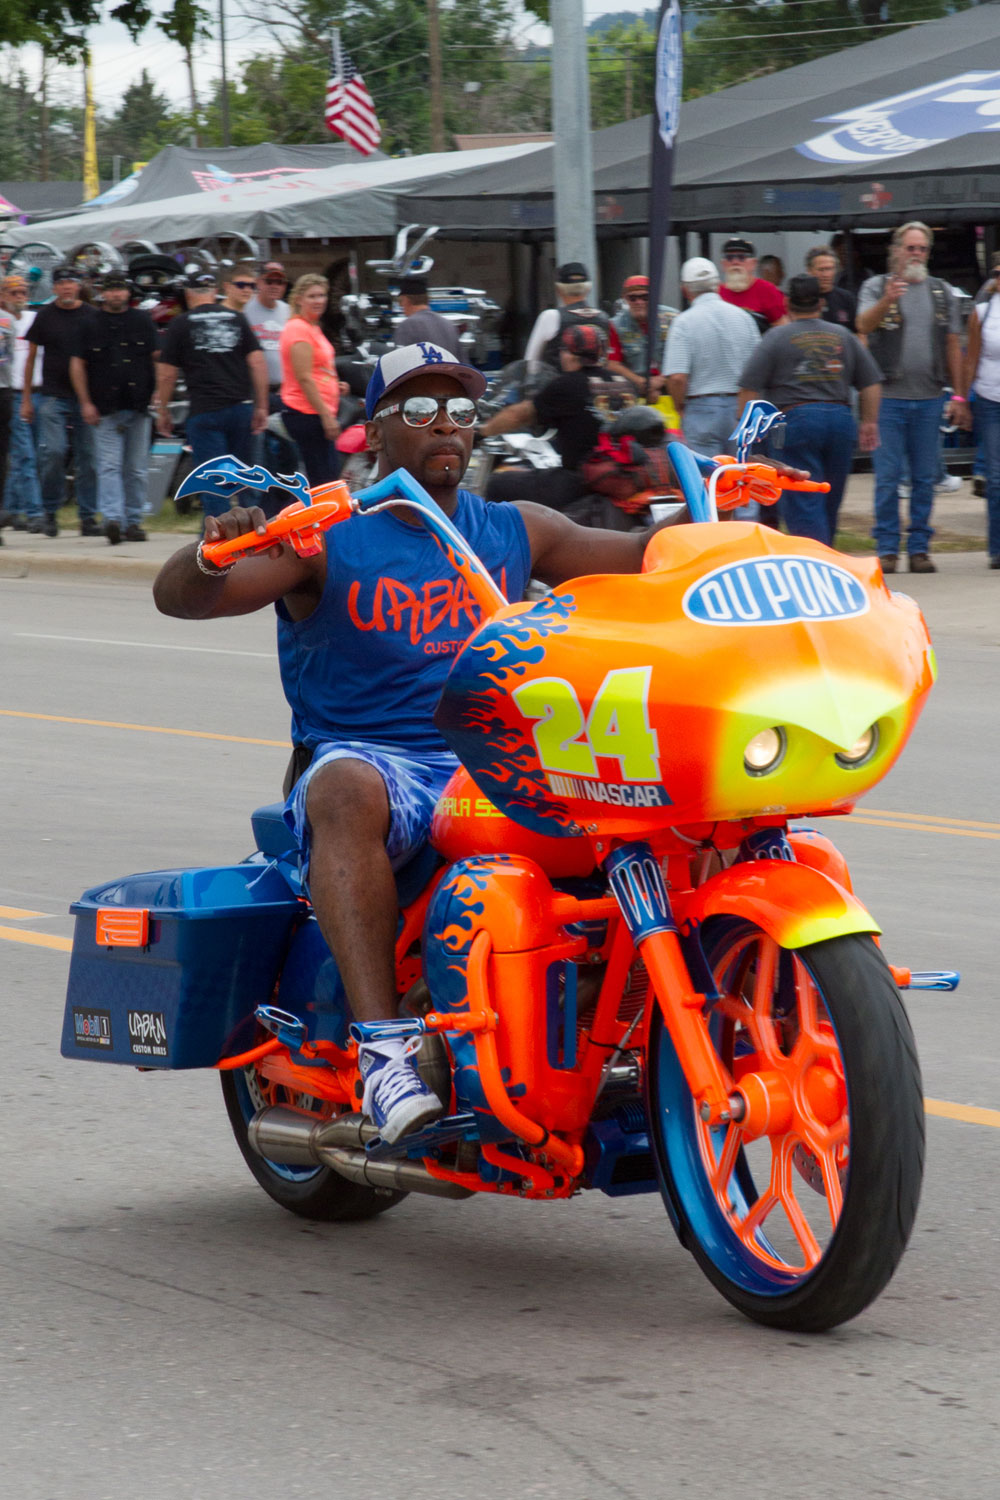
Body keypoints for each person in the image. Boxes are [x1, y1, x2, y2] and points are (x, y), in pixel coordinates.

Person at [151, 341, 693, 1142]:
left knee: (666, 790)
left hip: (495, 762)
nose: (446, 426)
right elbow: (189, 599)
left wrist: (720, 521)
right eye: (419, 410)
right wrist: (211, 551)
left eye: (462, 411)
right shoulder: (332, 534)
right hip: (378, 761)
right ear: (376, 431)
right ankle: (384, 1052)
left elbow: (644, 560)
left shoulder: (515, 528)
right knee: (345, 787)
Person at [736, 274, 882, 546]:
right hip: (840, 420)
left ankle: (816, 564)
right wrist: (869, 422)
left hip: (794, 421)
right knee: (829, 496)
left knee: (803, 499)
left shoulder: (775, 338)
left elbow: (748, 388)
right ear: (822, 302)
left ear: (787, 302)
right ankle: (827, 557)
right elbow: (871, 383)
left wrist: (748, 430)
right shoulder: (843, 336)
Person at [856, 221, 964, 574]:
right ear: (897, 250)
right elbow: (863, 326)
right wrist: (888, 297)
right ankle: (887, 548)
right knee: (887, 478)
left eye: (922, 249)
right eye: (910, 248)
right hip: (887, 397)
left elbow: (952, 343)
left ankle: (919, 548)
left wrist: (959, 395)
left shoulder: (940, 291)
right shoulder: (875, 286)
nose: (916, 254)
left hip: (930, 397)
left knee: (923, 477)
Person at [153, 267, 268, 525]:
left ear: (188, 293)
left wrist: (163, 409)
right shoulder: (237, 319)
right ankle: (256, 537)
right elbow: (258, 363)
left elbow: (167, 375)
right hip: (241, 409)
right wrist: (261, 406)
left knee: (214, 482)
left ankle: (219, 541)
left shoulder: (180, 324)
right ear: (215, 291)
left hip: (205, 412)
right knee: (247, 478)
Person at [479, 323, 636, 512]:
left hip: (581, 480)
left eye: (563, 350)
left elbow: (519, 414)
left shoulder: (566, 384)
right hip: (626, 476)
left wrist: (482, 432)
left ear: (570, 354)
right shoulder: (625, 383)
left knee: (499, 483)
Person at [69, 270, 159, 545]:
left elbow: (157, 359)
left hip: (138, 407)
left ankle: (133, 522)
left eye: (121, 289)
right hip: (104, 409)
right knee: (108, 466)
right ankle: (112, 521)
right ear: (102, 293)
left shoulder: (143, 321)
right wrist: (85, 402)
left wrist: (158, 394)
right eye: (111, 290)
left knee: (136, 468)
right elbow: (77, 365)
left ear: (128, 293)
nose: (116, 294)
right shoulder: (89, 323)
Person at [21, 265, 99, 538]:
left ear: (79, 286)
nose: (67, 286)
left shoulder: (92, 315)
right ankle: (50, 512)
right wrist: (27, 399)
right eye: (62, 282)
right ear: (54, 287)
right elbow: (30, 358)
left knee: (89, 457)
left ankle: (88, 516)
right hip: (52, 395)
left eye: (72, 282)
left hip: (86, 397)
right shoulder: (44, 316)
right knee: (52, 452)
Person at [662, 257, 761, 460]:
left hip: (701, 408)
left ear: (685, 290)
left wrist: (680, 407)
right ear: (718, 285)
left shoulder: (683, 323)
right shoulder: (743, 318)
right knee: (741, 476)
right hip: (740, 406)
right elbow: (758, 369)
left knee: (707, 479)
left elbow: (677, 378)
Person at [279, 273, 343, 487]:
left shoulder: (312, 326)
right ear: (298, 299)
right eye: (312, 296)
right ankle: (323, 520)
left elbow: (318, 369)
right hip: (307, 412)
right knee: (324, 480)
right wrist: (326, 416)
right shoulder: (298, 329)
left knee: (330, 475)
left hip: (318, 409)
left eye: (322, 295)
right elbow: (304, 377)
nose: (319, 301)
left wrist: (336, 383)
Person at [523, 260, 629, 378]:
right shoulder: (603, 317)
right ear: (588, 288)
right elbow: (608, 359)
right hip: (595, 389)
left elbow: (530, 363)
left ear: (558, 289)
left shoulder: (551, 316)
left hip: (560, 389)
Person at [959, 283, 1000, 568]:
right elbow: (970, 359)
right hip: (990, 399)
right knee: (996, 478)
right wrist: (962, 399)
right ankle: (997, 548)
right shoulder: (983, 313)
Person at [0, 274, 43, 533]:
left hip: (35, 392)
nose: (19, 298)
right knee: (23, 455)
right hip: (11, 393)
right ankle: (34, 512)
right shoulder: (5, 322)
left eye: (22, 293)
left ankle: (12, 509)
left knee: (24, 456)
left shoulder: (33, 320)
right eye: (13, 293)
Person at [611, 274, 677, 397]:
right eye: (633, 298)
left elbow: (685, 356)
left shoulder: (673, 319)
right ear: (625, 299)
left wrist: (662, 380)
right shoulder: (615, 325)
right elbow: (612, 364)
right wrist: (642, 382)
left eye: (645, 297)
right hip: (634, 390)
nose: (639, 302)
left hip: (672, 388)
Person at [718, 238, 787, 332]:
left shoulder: (768, 290)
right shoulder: (716, 293)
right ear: (723, 264)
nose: (735, 262)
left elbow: (782, 329)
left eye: (741, 257)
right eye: (729, 257)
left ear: (753, 263)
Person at [393, 275, 461, 358]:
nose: (401, 306)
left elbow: (401, 362)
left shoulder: (408, 326)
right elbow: (463, 364)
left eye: (401, 302)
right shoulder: (448, 325)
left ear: (406, 300)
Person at [805, 245, 857, 331]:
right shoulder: (801, 299)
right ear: (809, 271)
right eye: (821, 270)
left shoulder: (847, 298)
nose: (826, 275)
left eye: (829, 269)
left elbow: (859, 333)